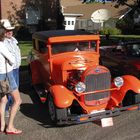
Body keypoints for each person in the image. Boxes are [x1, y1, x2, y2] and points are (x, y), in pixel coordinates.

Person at [0, 27, 22, 134]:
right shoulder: (2, 44)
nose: (8, 32)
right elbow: (12, 59)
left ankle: (2, 125)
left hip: (4, 73)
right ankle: (10, 127)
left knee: (3, 100)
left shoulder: (12, 41)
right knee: (18, 100)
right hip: (7, 73)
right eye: (6, 31)